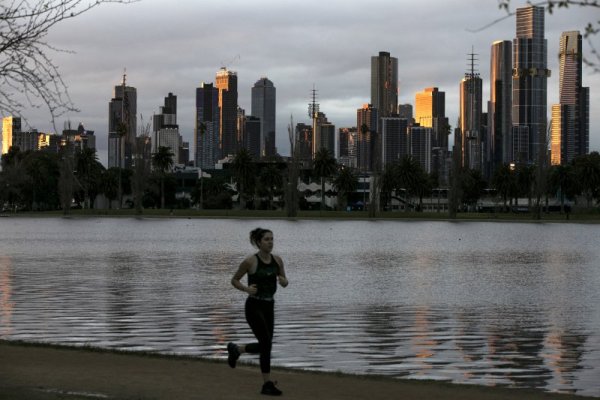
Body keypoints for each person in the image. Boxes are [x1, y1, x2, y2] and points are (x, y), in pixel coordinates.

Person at [227, 228, 288, 396]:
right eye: (267, 239)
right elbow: (234, 280)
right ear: (259, 242)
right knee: (266, 344)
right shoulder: (250, 262)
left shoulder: (278, 260)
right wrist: (246, 289)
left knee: (266, 345)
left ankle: (237, 350)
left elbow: (284, 281)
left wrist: (284, 281)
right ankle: (267, 384)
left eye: (272, 239)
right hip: (254, 306)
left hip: (269, 306)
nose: (270, 242)